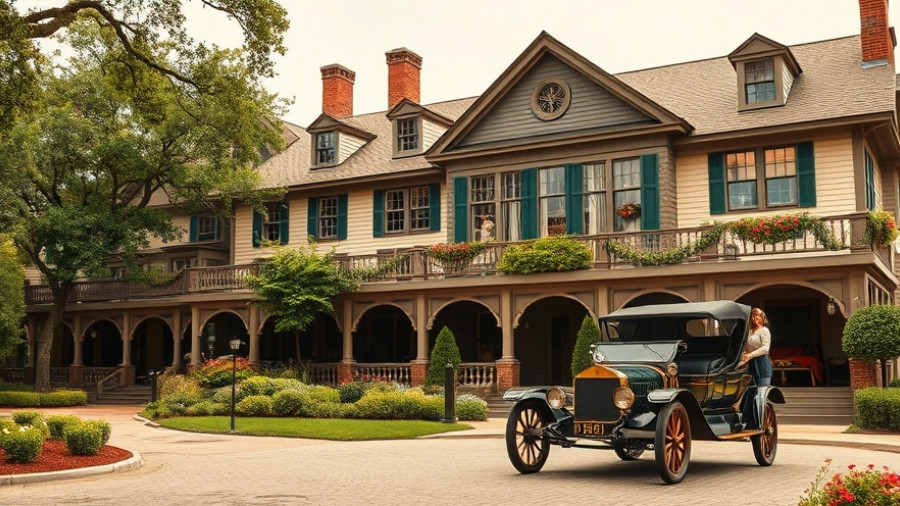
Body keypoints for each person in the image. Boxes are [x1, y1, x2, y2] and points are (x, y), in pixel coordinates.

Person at [739, 307, 773, 386]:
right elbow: (745, 347)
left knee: (762, 391)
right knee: (751, 390)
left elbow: (765, 348)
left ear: (762, 317)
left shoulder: (764, 330)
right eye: (753, 315)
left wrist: (750, 355)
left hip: (762, 363)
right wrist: (744, 356)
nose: (754, 317)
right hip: (750, 365)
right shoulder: (749, 332)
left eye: (757, 315)